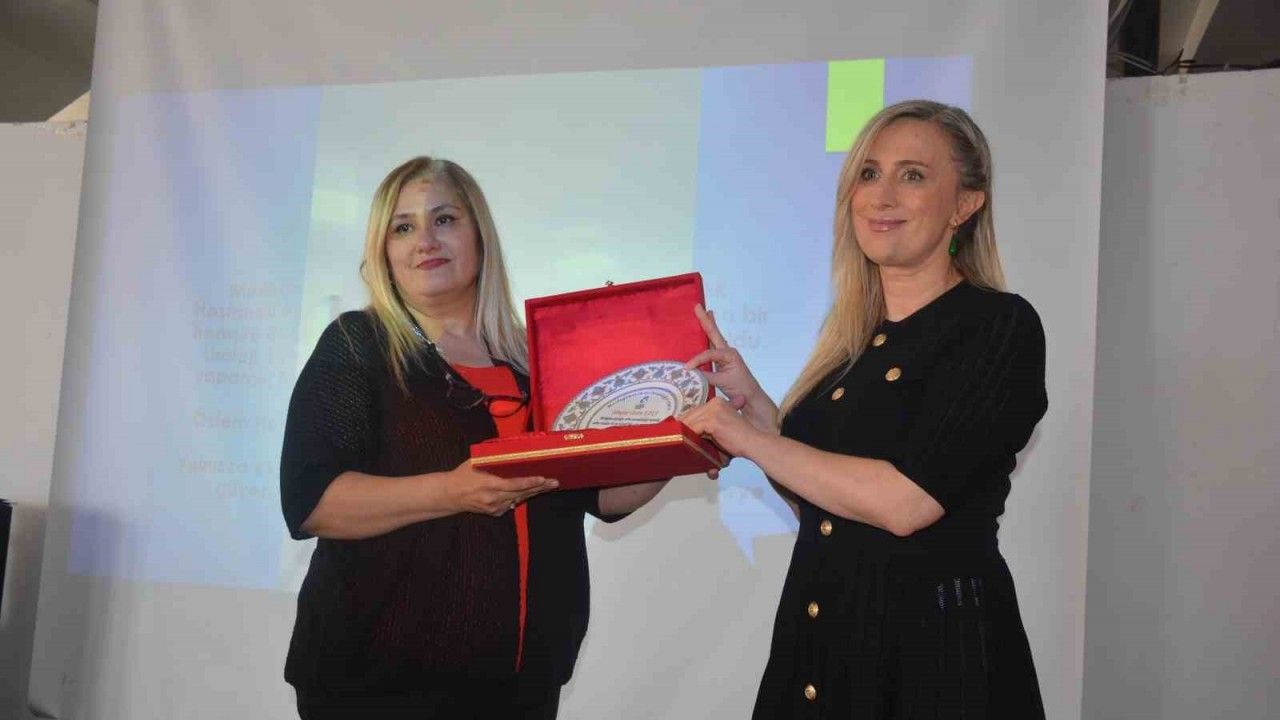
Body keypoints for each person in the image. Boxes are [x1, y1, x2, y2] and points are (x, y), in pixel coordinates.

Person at [682, 100, 1048, 718]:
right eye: (869, 173)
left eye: (913, 175)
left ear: (965, 204)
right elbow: (823, 504)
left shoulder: (998, 326)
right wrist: (757, 411)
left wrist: (750, 440)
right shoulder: (851, 345)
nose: (882, 196)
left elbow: (906, 504)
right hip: (821, 653)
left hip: (933, 665)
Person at [279, 157, 667, 719]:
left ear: (479, 235)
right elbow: (312, 502)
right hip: (378, 691)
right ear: (383, 252)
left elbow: (602, 495)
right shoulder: (358, 345)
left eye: (444, 219)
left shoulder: (533, 363)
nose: (425, 241)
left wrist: (680, 438)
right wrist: (452, 492)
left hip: (522, 689)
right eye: (403, 227)